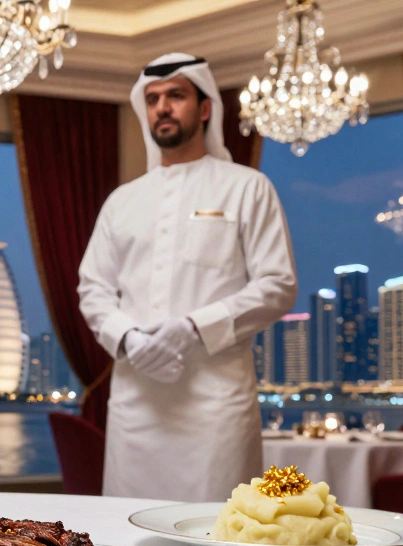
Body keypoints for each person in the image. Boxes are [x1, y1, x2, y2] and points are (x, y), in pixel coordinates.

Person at [77, 53, 297, 501]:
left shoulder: (247, 187)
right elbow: (92, 287)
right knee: (126, 530)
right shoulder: (122, 200)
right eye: (153, 98)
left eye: (175, 95)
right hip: (135, 405)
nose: (162, 107)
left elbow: (277, 284)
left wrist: (191, 329)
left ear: (204, 108)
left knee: (216, 532)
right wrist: (128, 338)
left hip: (215, 407)